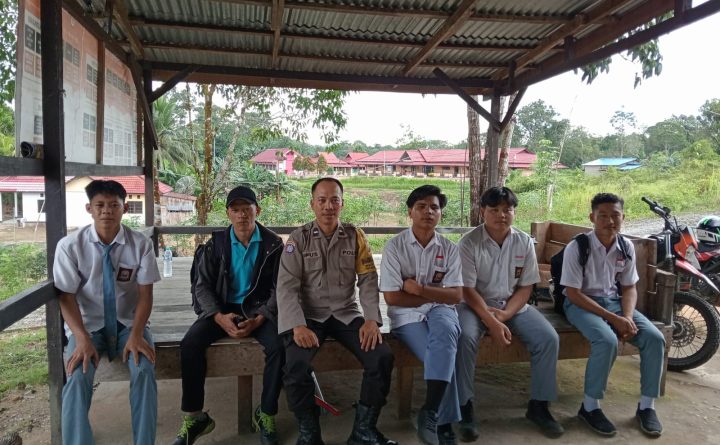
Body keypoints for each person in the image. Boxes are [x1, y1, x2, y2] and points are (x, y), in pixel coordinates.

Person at [276, 177, 396, 445]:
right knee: (294, 366)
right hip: (310, 316)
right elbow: (286, 286)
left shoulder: (355, 236)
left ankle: (364, 430)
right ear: (312, 204)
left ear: (342, 203)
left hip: (345, 313)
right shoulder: (298, 239)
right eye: (322, 200)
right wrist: (297, 325)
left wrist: (371, 319)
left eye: (334, 200)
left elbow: (368, 279)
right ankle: (309, 434)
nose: (328, 206)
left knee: (381, 357)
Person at [171, 186, 285, 445]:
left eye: (247, 209)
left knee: (280, 346)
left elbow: (281, 288)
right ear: (228, 213)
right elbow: (202, 286)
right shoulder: (217, 244)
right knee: (190, 344)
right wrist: (218, 316)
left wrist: (261, 317)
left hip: (258, 309)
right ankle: (195, 417)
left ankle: (266, 412)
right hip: (222, 308)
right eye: (236, 209)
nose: (242, 215)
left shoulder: (273, 244)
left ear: (258, 210)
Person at [54, 179, 161, 445]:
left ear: (124, 208)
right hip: (87, 326)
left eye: (114, 205)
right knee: (76, 376)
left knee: (144, 370)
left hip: (129, 324)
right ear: (89, 208)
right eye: (100, 205)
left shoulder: (140, 244)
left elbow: (146, 295)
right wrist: (81, 338)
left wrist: (137, 334)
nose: (107, 211)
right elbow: (66, 297)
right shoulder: (70, 246)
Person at [456, 186, 563, 441]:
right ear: (483, 211)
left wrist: (505, 315)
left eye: (507, 210)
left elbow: (526, 287)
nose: (501, 215)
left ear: (514, 212)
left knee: (548, 338)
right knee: (464, 338)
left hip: (512, 305)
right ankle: (464, 406)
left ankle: (539, 406)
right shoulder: (469, 242)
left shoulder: (523, 241)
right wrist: (491, 320)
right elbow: (467, 290)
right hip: (474, 305)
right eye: (494, 210)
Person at [561, 193, 665, 437]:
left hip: (615, 304)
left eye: (615, 215)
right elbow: (573, 293)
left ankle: (647, 406)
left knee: (655, 339)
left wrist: (626, 317)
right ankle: (590, 407)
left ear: (623, 217)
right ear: (592, 217)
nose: (610, 221)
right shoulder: (578, 247)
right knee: (607, 341)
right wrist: (613, 318)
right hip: (580, 304)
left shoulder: (625, 247)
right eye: (603, 216)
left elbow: (629, 287)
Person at [380, 185, 463, 445]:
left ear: (440, 213)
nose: (428, 212)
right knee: (440, 354)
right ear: (410, 212)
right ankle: (444, 421)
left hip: (441, 310)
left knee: (447, 332)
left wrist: (420, 289)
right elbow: (392, 297)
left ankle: (430, 411)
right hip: (406, 315)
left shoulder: (449, 249)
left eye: (434, 207)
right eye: (421, 207)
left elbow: (456, 296)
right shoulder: (395, 247)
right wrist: (437, 294)